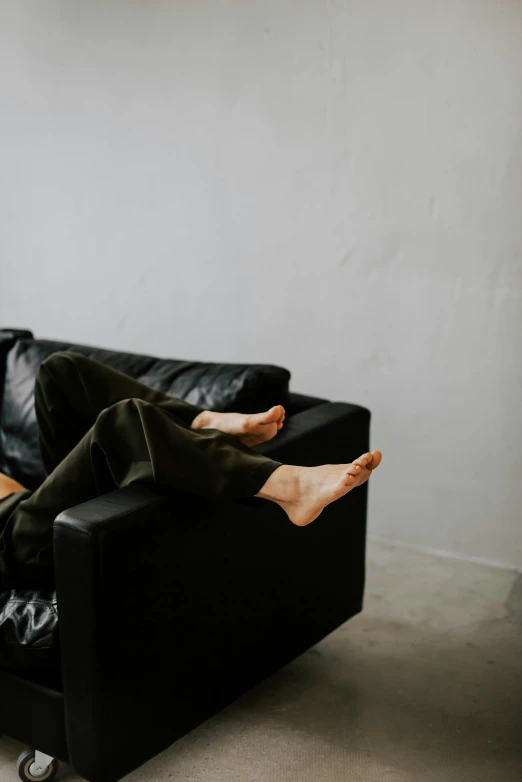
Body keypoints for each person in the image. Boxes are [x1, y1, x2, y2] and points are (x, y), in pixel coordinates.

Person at [0, 352, 382, 590]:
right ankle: (288, 486)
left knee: (61, 371)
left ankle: (202, 421)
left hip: (27, 509)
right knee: (123, 420)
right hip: (14, 548)